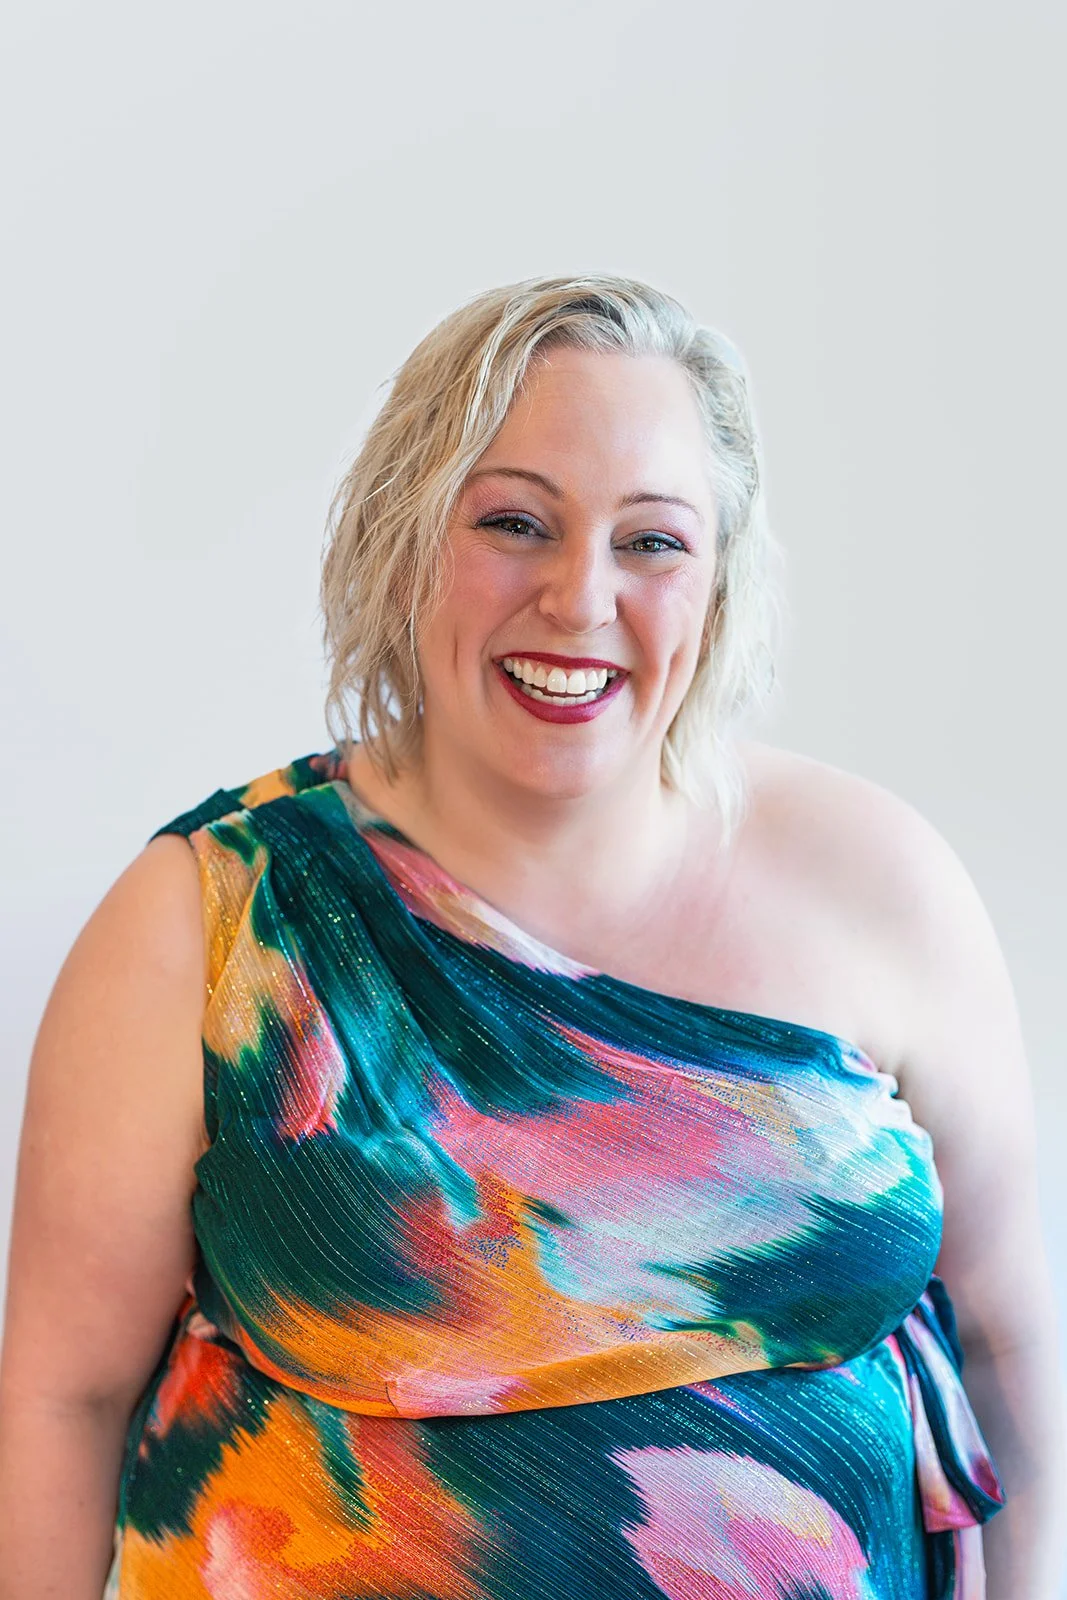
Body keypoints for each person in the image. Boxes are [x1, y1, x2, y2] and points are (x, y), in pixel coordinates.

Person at [0, 275, 1062, 1600]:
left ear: (719, 575)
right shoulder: (209, 917)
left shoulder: (881, 881)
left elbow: (1011, 1350)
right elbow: (65, 1398)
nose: (577, 597)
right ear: (402, 541)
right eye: (514, 522)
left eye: (651, 543)